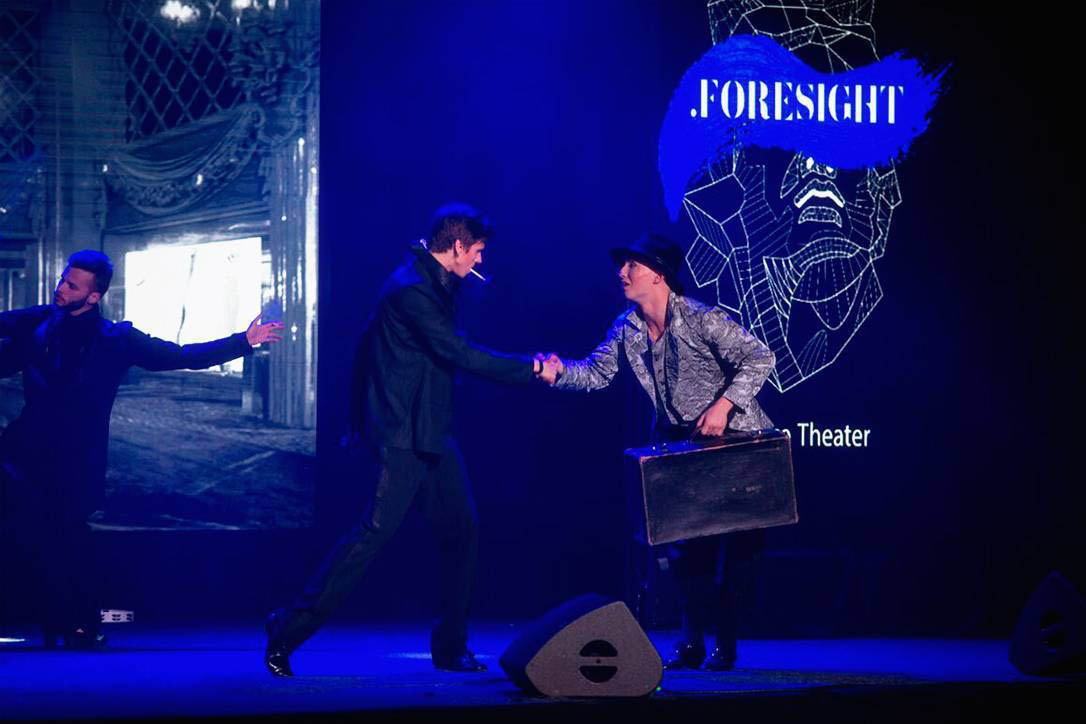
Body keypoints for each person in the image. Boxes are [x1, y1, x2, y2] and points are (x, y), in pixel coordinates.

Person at [264, 203, 558, 677]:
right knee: (372, 535)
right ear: (458, 246)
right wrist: (534, 368)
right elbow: (458, 352)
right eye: (477, 251)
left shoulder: (431, 281)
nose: (480, 260)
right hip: (402, 434)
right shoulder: (411, 290)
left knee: (462, 529)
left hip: (430, 431)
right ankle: (286, 630)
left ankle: (451, 647)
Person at [0, 249, 284, 648]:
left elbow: (181, 356)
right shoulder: (36, 322)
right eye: (63, 280)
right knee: (27, 535)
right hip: (22, 454)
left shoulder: (117, 339)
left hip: (76, 461)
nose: (60, 288)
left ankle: (76, 625)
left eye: (71, 285)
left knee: (69, 541)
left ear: (93, 296)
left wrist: (243, 341)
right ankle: (52, 621)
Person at [542, 233, 774, 670]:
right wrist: (556, 373)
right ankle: (692, 643)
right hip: (683, 446)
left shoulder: (700, 318)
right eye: (622, 265)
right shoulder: (627, 327)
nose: (622, 273)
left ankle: (726, 644)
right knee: (687, 549)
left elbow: (760, 357)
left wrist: (723, 406)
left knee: (734, 550)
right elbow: (596, 373)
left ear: (659, 274)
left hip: (734, 443)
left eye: (633, 265)